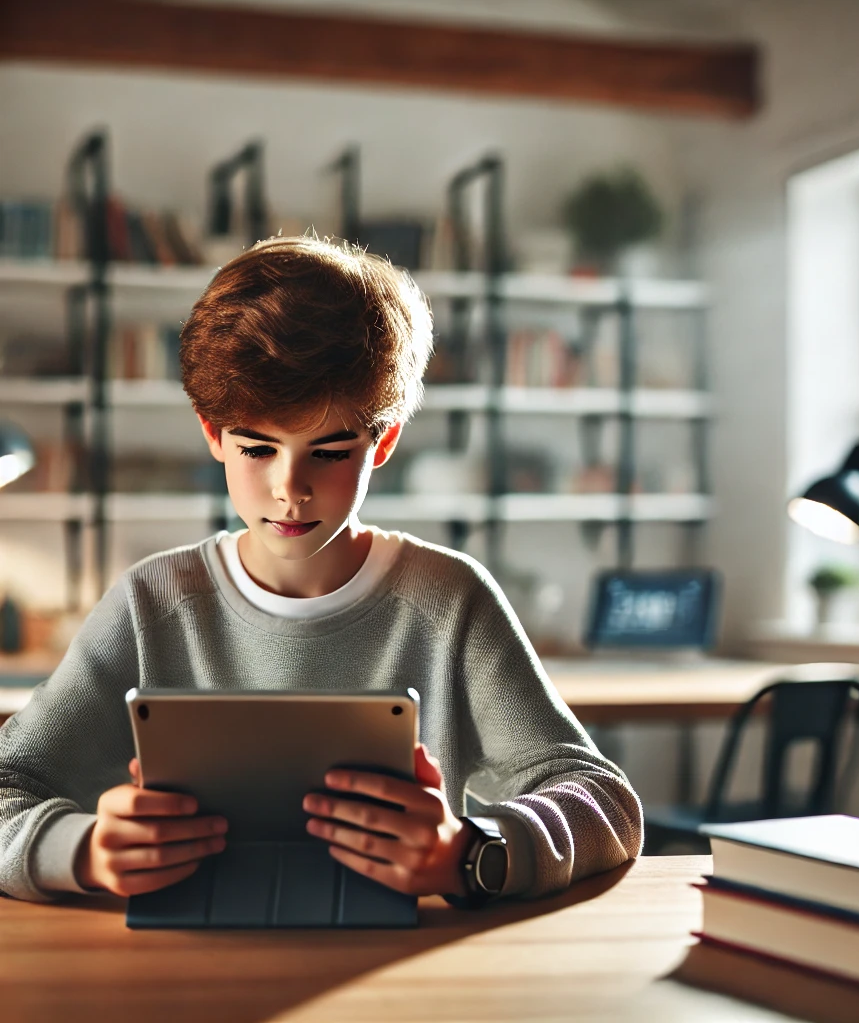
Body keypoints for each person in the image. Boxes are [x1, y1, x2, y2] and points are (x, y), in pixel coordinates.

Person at [0, 236, 643, 907]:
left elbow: (605, 802)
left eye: (330, 452)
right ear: (213, 434)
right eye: (257, 448)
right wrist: (80, 849)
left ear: (383, 441)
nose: (290, 488)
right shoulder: (150, 603)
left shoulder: (449, 601)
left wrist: (471, 852)